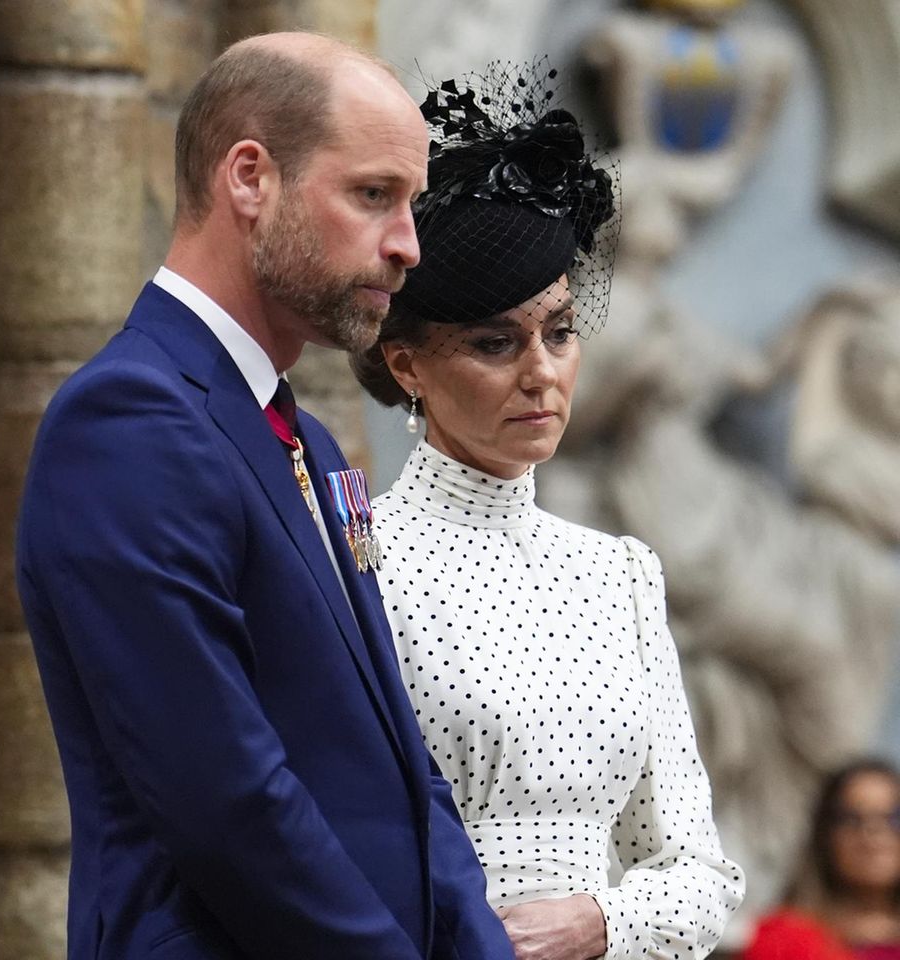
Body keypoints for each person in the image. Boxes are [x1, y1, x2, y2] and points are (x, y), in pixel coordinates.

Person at [15, 33, 516, 960]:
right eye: (374, 195)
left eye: (411, 204)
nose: (408, 246)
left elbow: (406, 764)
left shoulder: (306, 439)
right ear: (250, 178)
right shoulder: (128, 421)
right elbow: (226, 799)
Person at [351, 60, 744, 960]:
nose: (541, 372)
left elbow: (701, 875)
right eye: (495, 343)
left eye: (559, 332)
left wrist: (600, 922)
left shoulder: (620, 574)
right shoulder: (359, 558)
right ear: (408, 365)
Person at [742, 759, 900, 960]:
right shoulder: (782, 940)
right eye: (851, 819)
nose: (873, 833)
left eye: (894, 818)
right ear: (825, 835)